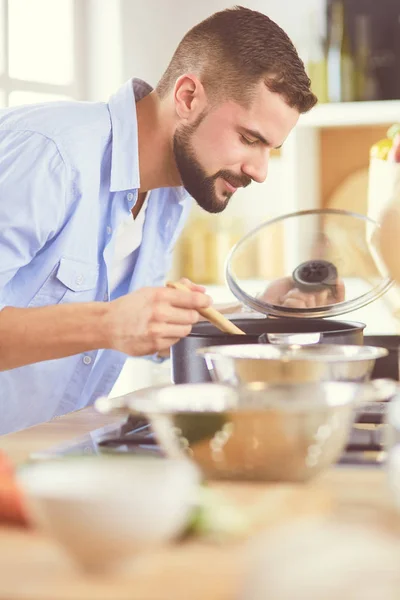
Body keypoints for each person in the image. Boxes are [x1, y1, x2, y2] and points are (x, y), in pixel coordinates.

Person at [0, 6, 318, 434]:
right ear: (188, 97)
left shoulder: (175, 190)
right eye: (249, 139)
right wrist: (108, 325)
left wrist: (257, 310)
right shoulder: (52, 155)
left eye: (270, 150)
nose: (260, 171)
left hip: (44, 461)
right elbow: (117, 322)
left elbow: (143, 322)